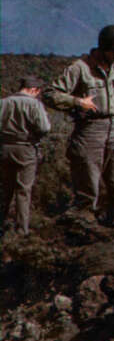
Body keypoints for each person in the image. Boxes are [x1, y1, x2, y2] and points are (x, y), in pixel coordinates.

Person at [46, 25, 114, 225]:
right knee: (88, 179)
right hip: (90, 129)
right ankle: (85, 226)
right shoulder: (80, 68)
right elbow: (50, 94)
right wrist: (77, 102)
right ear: (105, 48)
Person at [1, 75, 51, 235]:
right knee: (23, 191)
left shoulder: (3, 102)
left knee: (4, 189)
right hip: (26, 149)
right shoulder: (35, 104)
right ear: (34, 89)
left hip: (4, 149)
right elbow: (44, 127)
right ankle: (22, 230)